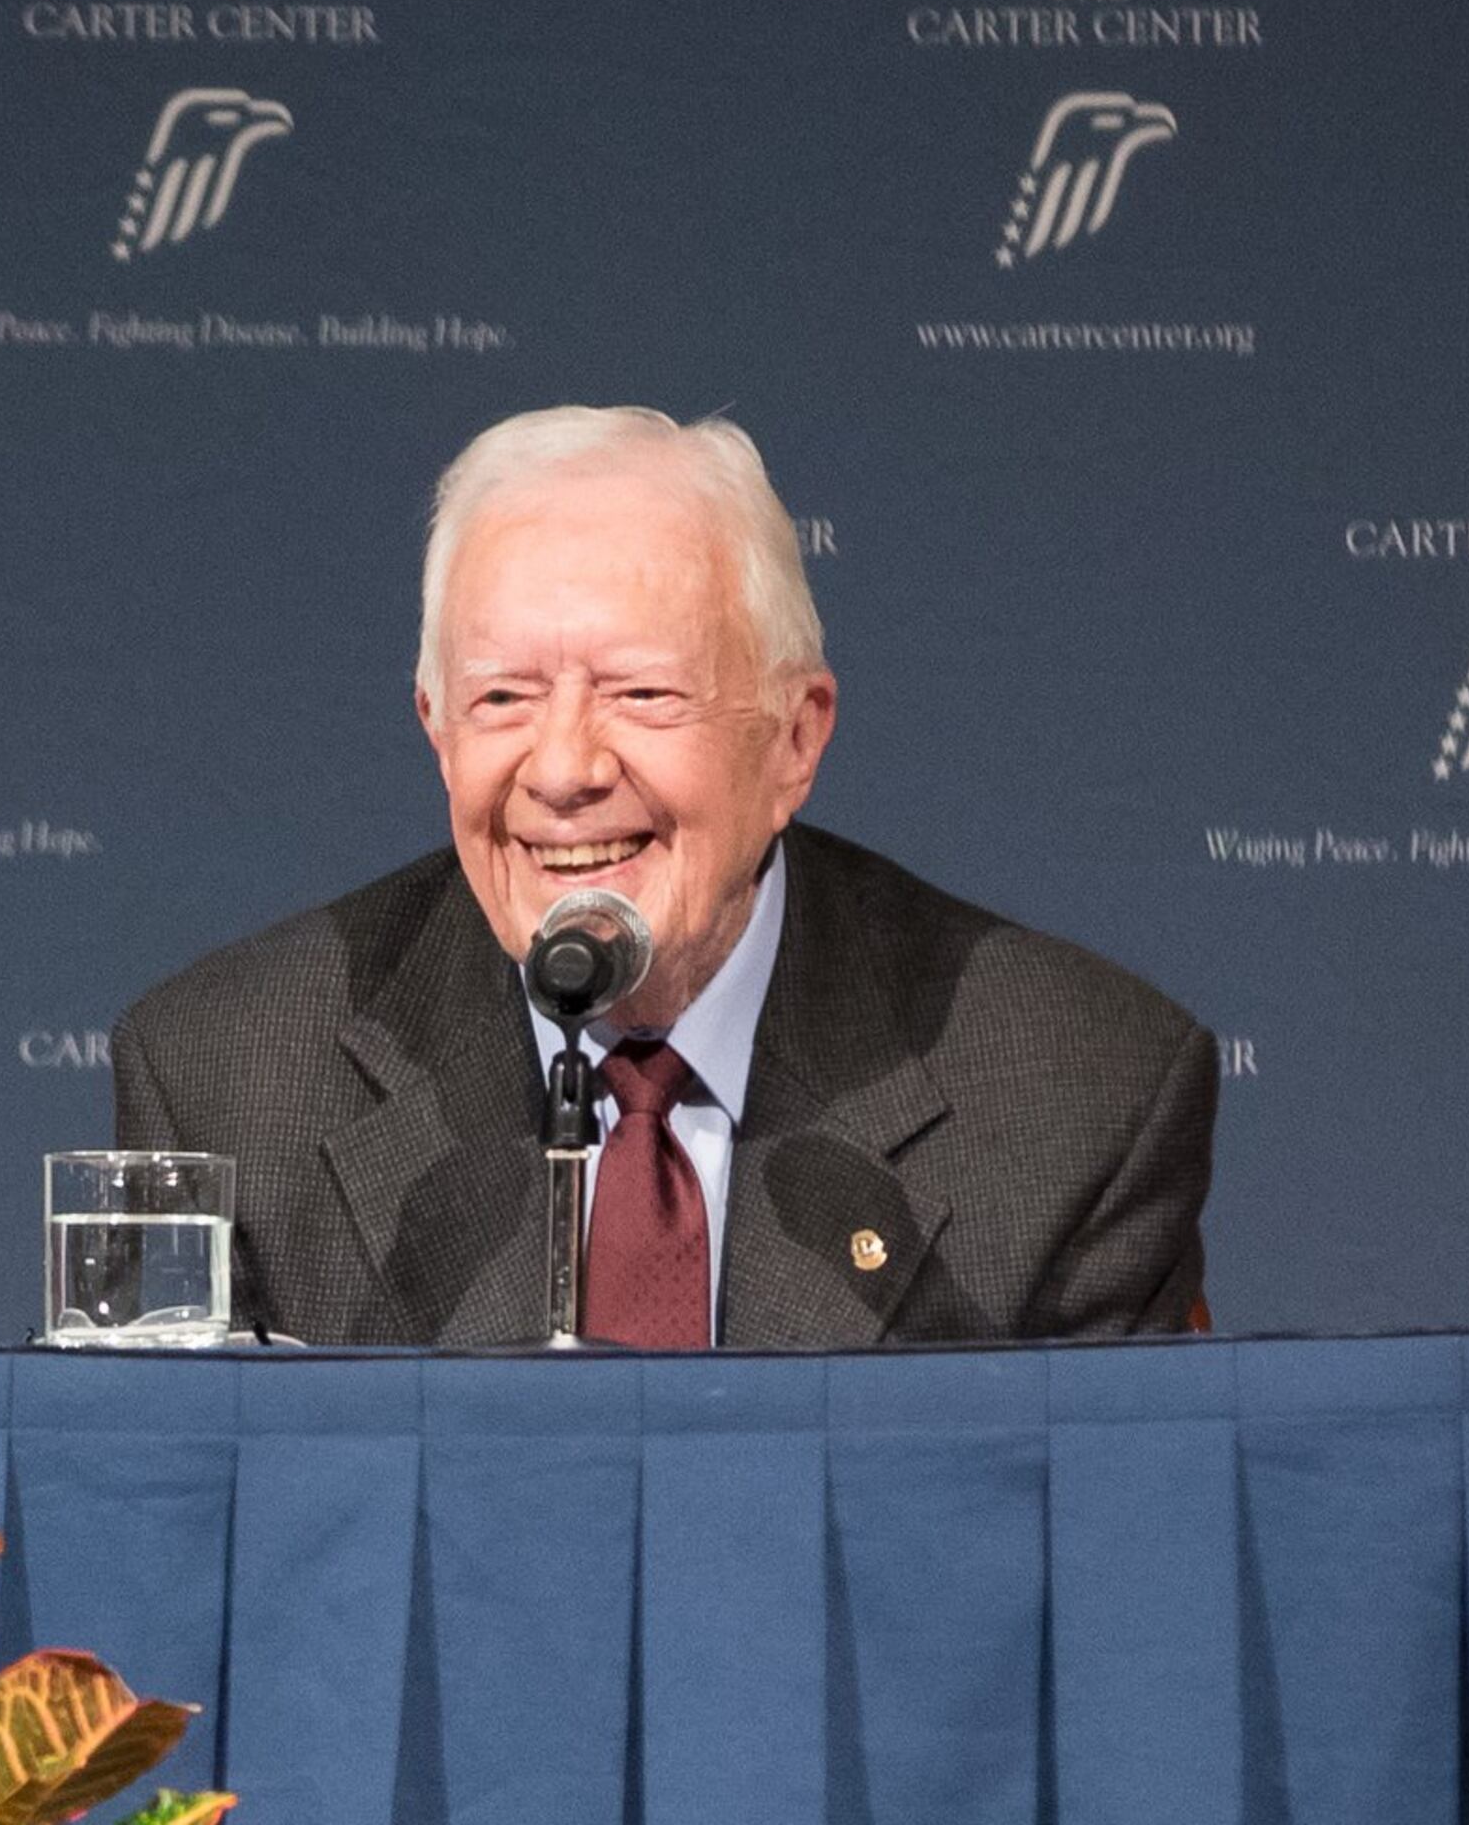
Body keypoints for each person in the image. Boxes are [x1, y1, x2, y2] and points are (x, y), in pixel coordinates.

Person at [113, 406, 1212, 1348]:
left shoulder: (1074, 1096)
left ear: (793, 738)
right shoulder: (227, 1080)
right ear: (436, 732)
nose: (564, 770)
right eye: (502, 699)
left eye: (642, 694)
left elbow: (1095, 1562)